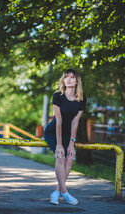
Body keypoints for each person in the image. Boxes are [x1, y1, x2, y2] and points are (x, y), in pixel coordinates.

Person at [44, 68, 87, 205]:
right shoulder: (57, 96)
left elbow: (75, 121)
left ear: (76, 81)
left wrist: (71, 143)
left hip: (69, 133)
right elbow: (59, 121)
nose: (69, 79)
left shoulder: (82, 98)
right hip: (53, 131)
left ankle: (57, 192)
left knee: (69, 159)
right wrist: (59, 144)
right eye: (66, 77)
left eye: (72, 77)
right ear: (63, 80)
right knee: (60, 156)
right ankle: (65, 193)